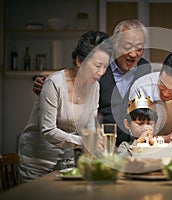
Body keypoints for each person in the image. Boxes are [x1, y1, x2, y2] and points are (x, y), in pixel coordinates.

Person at [33, 19, 152, 146]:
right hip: (99, 143)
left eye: (139, 48)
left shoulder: (144, 68)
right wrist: (46, 84)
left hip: (129, 145)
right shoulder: (97, 64)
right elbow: (73, 76)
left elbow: (146, 106)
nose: (133, 54)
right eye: (127, 47)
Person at [18, 31, 112, 182]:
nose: (101, 72)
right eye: (97, 66)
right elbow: (47, 131)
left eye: (105, 66)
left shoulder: (94, 87)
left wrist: (96, 140)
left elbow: (90, 124)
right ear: (79, 61)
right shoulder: (54, 83)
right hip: (38, 161)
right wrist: (84, 142)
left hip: (66, 162)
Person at [117, 93, 158, 157]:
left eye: (149, 123)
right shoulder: (125, 146)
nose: (145, 128)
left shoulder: (159, 144)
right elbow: (120, 161)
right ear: (127, 124)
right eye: (140, 123)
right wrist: (138, 143)